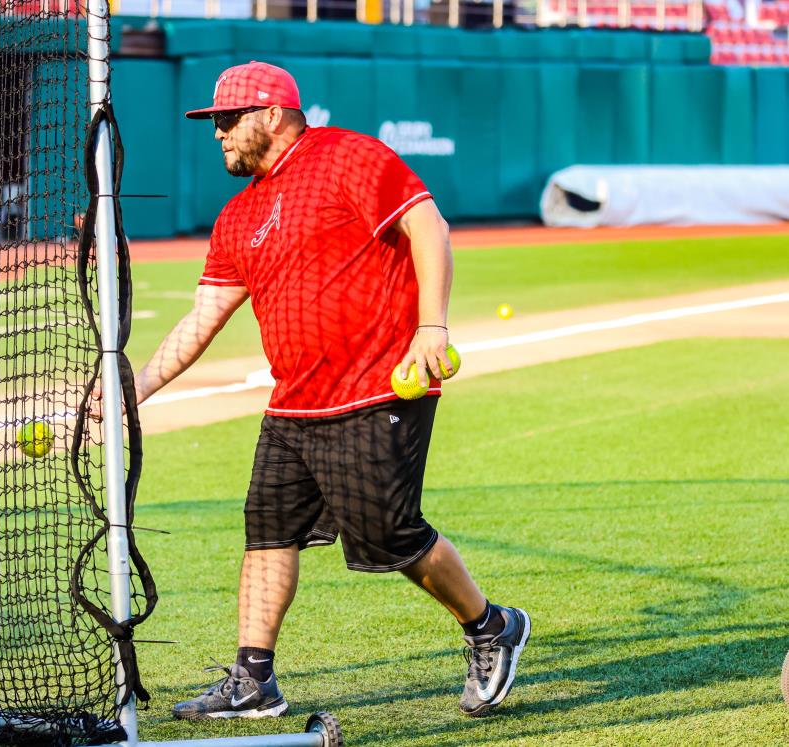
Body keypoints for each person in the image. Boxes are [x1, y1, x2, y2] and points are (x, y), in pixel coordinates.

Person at [132, 60, 530, 720]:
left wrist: (432, 325)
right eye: (214, 124)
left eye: (228, 120)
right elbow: (202, 316)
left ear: (272, 113)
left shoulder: (347, 155)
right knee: (267, 531)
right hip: (295, 403)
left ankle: (491, 625)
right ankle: (254, 679)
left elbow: (428, 225)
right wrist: (134, 388)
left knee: (391, 535)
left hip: (376, 387)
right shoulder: (237, 215)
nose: (218, 134)